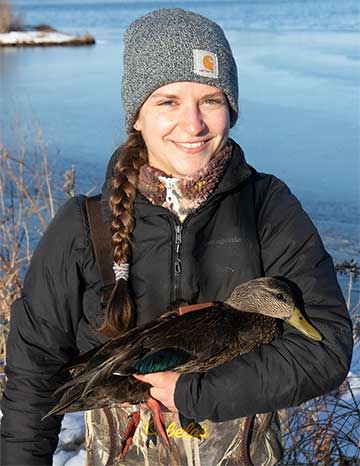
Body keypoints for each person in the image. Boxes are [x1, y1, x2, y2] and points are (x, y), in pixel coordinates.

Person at [0, 8, 353, 466]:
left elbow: (323, 350)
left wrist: (194, 392)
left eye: (211, 100)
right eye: (168, 101)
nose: (194, 125)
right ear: (137, 117)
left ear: (232, 109)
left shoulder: (268, 209)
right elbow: (33, 377)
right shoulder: (84, 227)